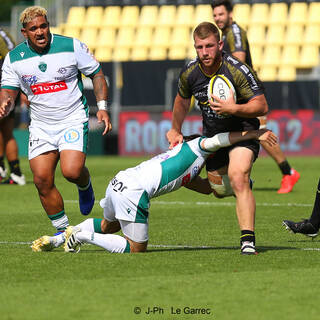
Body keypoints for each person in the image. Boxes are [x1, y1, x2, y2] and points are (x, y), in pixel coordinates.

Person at [31, 129, 277, 254]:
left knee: (109, 227)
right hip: (134, 191)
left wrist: (238, 186)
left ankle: (59, 238)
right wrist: (254, 134)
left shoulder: (187, 169)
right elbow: (221, 138)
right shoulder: (199, 146)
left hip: (120, 180)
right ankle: (83, 237)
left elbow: (207, 189)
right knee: (136, 248)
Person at [0, 6, 112, 233]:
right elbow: (8, 91)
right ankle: (62, 232)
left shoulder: (70, 46)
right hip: (41, 125)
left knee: (71, 171)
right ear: (24, 32)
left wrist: (102, 107)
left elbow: (97, 73)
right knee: (41, 180)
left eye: (43, 26)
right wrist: (5, 103)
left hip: (72, 119)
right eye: (34, 29)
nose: (40, 32)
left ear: (48, 25)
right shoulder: (14, 58)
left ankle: (84, 184)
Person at [166, 22, 269, 255]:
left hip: (243, 133)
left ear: (220, 45)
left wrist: (232, 108)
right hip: (215, 137)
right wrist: (175, 129)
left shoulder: (237, 70)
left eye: (209, 46)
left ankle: (247, 241)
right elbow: (182, 100)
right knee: (217, 189)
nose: (205, 52)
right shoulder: (190, 72)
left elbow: (262, 105)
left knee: (238, 175)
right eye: (199, 47)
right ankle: (233, 186)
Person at [211, 0, 300, 194]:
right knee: (251, 132)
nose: (218, 18)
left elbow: (239, 60)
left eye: (221, 14)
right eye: (215, 15)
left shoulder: (234, 33)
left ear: (230, 14)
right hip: (242, 91)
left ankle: (288, 172)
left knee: (259, 131)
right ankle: (236, 175)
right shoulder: (225, 34)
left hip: (248, 92)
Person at [0, 27, 26, 185]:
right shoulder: (5, 33)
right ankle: (15, 172)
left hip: (4, 84)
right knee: (7, 131)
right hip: (10, 84)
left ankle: (2, 168)